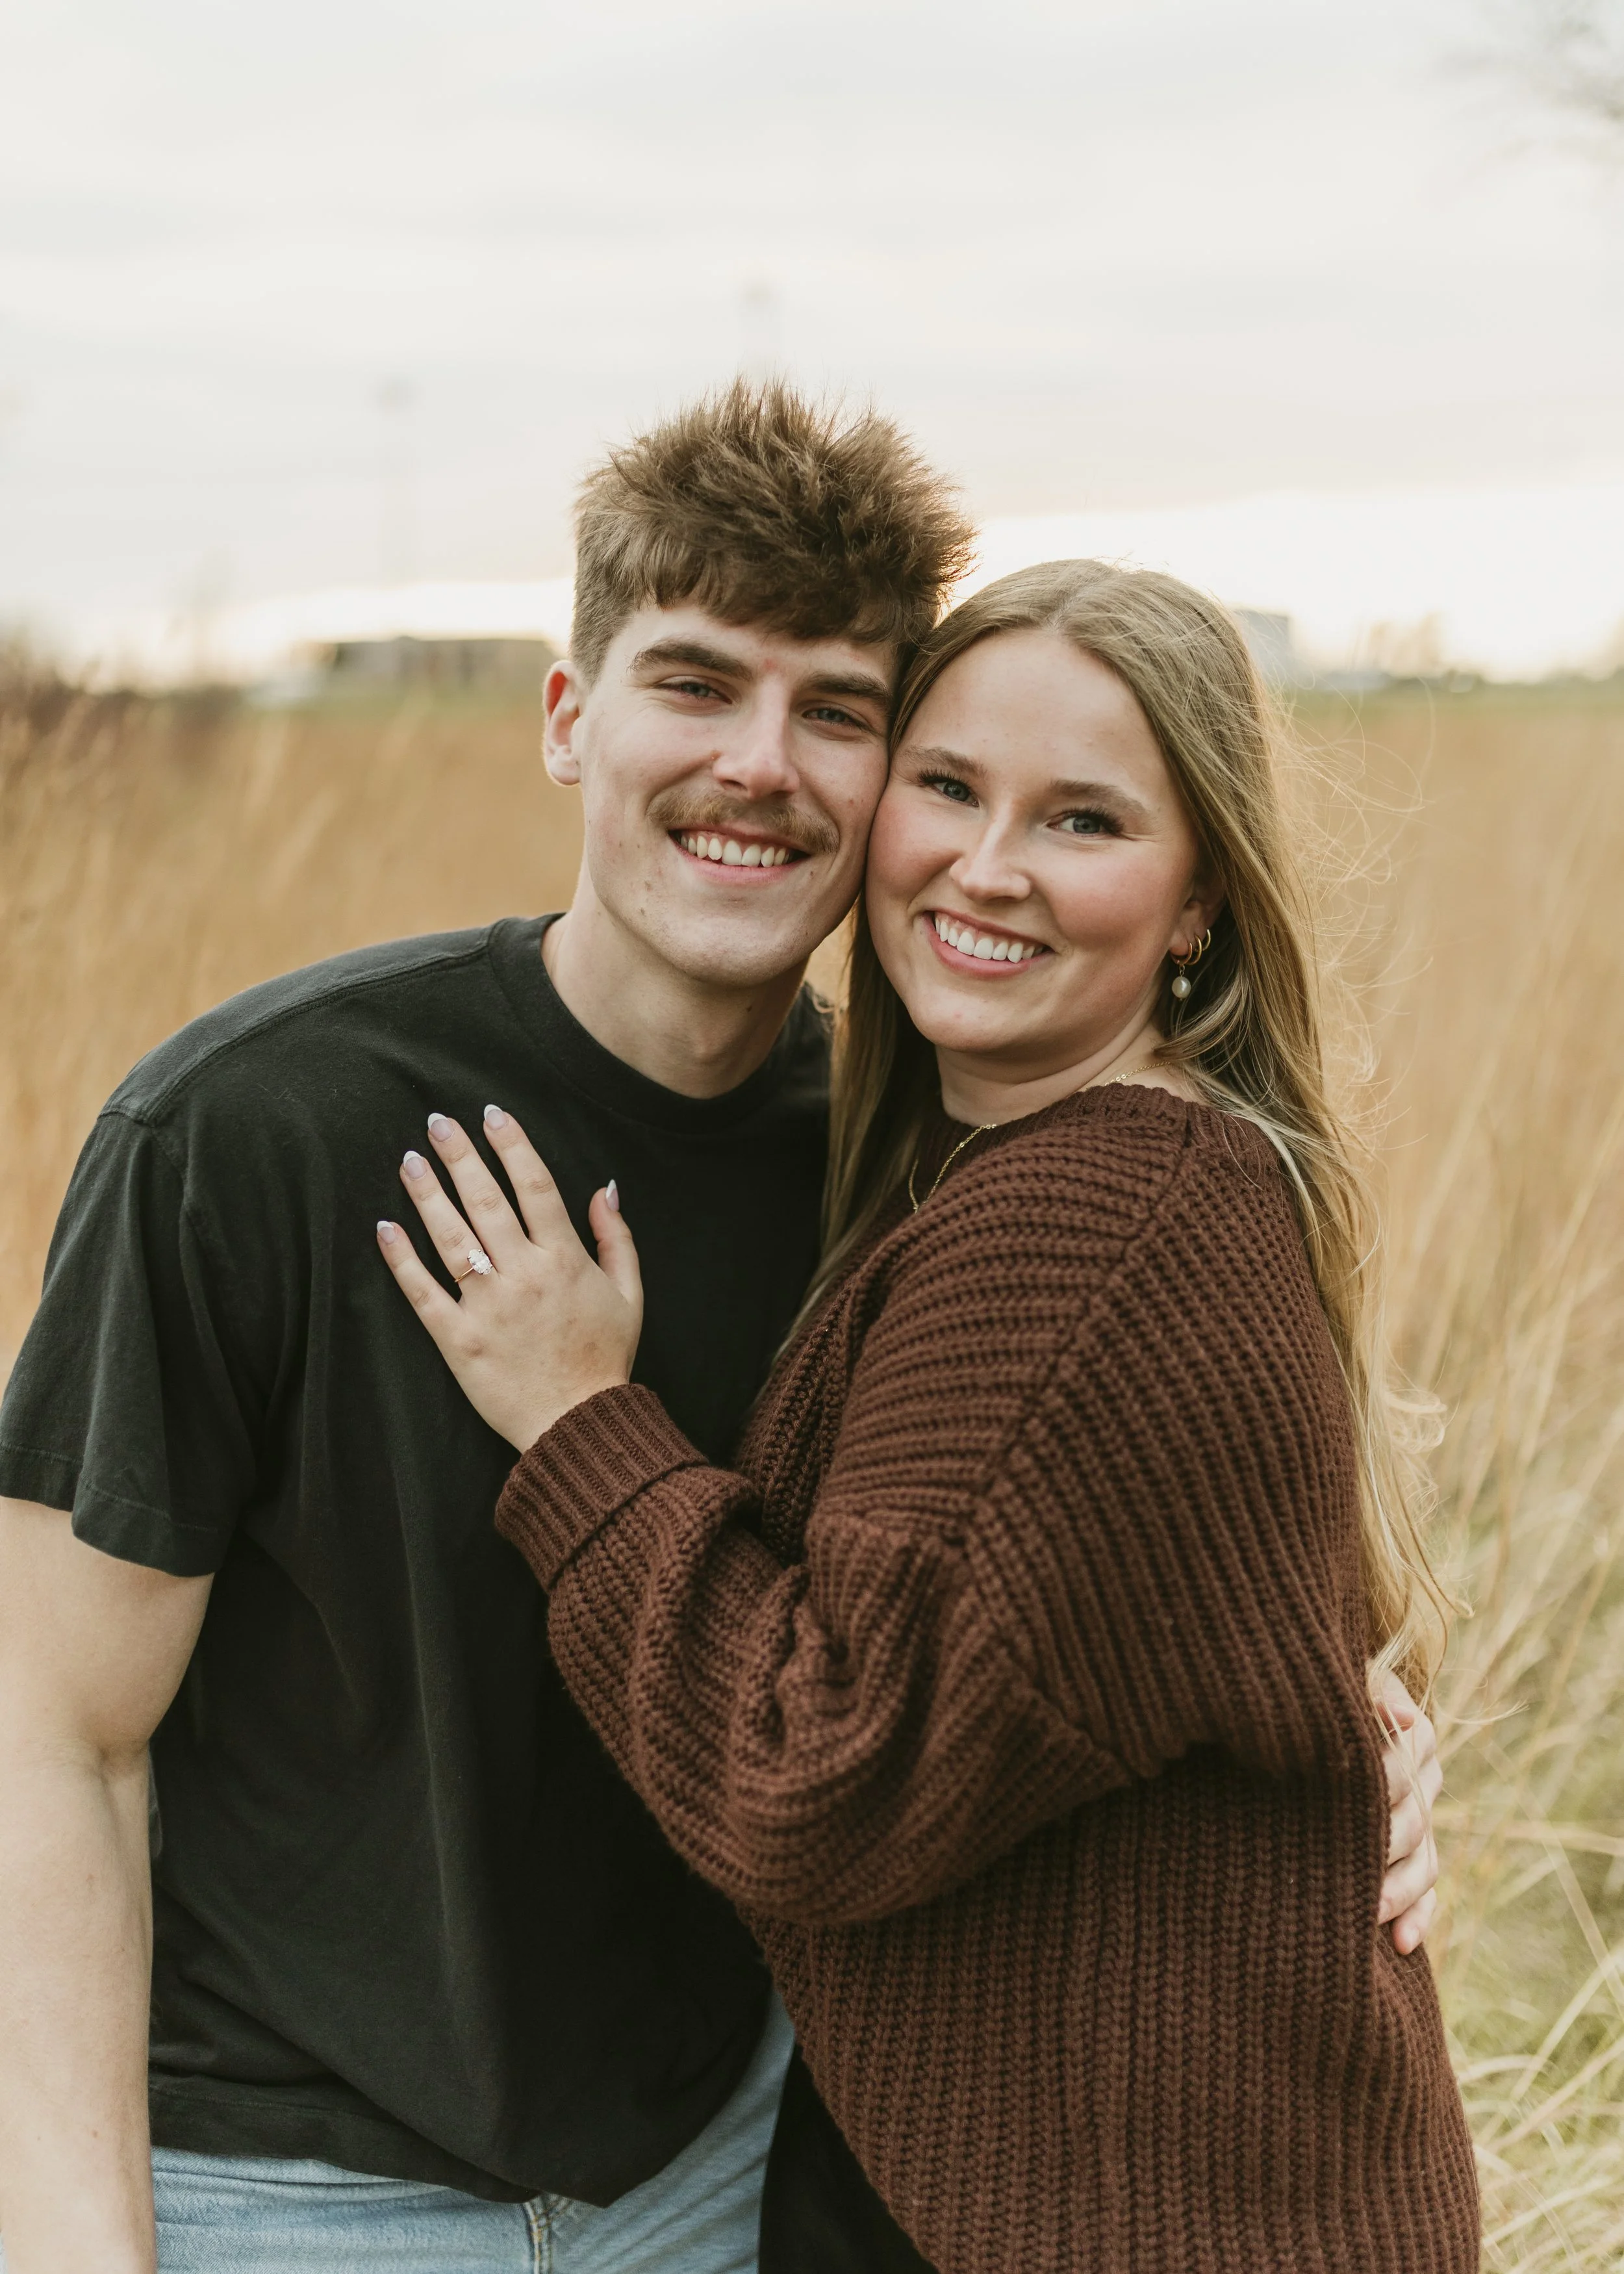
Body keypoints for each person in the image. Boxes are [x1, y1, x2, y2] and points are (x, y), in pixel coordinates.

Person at [0, 387, 1440, 2274]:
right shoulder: (251, 1131)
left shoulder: (912, 1176)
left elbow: (1010, 1625)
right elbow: (49, 1733)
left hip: (715, 2188)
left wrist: (1340, 1749)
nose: (760, 765)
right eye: (694, 683)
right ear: (567, 717)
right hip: (294, 2199)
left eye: (836, 710)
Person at [375, 557, 1479, 2271]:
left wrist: (580, 1420)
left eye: (1084, 821)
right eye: (948, 787)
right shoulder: (1068, 1167)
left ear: (1199, 898)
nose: (986, 865)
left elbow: (813, 1778)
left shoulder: (1087, 1224)